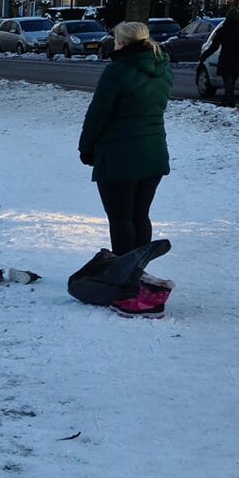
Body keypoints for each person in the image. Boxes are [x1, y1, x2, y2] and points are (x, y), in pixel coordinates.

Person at [77, 20, 173, 317]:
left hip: (119, 154)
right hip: (153, 152)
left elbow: (98, 114)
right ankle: (138, 272)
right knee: (139, 214)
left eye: (117, 40)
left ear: (124, 42)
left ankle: (125, 279)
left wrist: (86, 147)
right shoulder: (162, 67)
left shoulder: (117, 71)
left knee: (120, 218)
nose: (114, 44)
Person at [197, 10, 239, 106]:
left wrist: (203, 56)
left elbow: (214, 47)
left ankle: (229, 101)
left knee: (228, 82)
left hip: (225, 60)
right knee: (232, 81)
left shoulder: (222, 31)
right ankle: (227, 100)